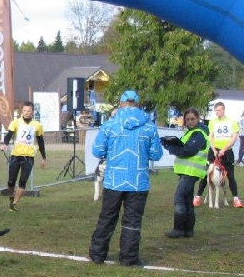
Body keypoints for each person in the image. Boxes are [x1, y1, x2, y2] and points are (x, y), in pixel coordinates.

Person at [88, 90, 163, 266]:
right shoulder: (149, 127)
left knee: (107, 217)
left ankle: (97, 254)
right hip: (138, 182)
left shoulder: (110, 125)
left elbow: (97, 150)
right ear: (137, 104)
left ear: (121, 103)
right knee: (132, 220)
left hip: (114, 179)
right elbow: (156, 154)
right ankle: (129, 258)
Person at [160, 108, 209, 238]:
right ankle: (188, 230)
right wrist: (173, 146)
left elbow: (188, 151)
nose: (190, 122)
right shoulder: (191, 132)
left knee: (179, 198)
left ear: (198, 119)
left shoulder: (198, 134)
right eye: (187, 119)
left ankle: (179, 229)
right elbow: (183, 148)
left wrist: (172, 147)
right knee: (187, 200)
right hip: (188, 171)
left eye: (192, 119)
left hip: (191, 171)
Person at [193, 101, 242, 208]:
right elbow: (210, 136)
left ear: (223, 110)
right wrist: (214, 149)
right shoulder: (212, 122)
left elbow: (234, 137)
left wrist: (224, 149)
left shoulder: (232, 122)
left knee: (230, 176)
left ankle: (236, 199)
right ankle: (197, 197)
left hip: (227, 152)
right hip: (214, 151)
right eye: (215, 111)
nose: (217, 112)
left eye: (219, 110)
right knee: (208, 174)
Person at [0, 101, 47, 211]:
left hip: (29, 157)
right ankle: (12, 197)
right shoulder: (15, 123)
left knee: (23, 181)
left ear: (32, 112)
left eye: (29, 111)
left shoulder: (37, 125)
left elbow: (41, 142)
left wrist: (44, 157)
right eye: (25, 111)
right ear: (22, 111)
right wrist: (5, 145)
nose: (26, 113)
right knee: (11, 182)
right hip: (15, 156)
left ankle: (14, 204)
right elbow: (9, 135)